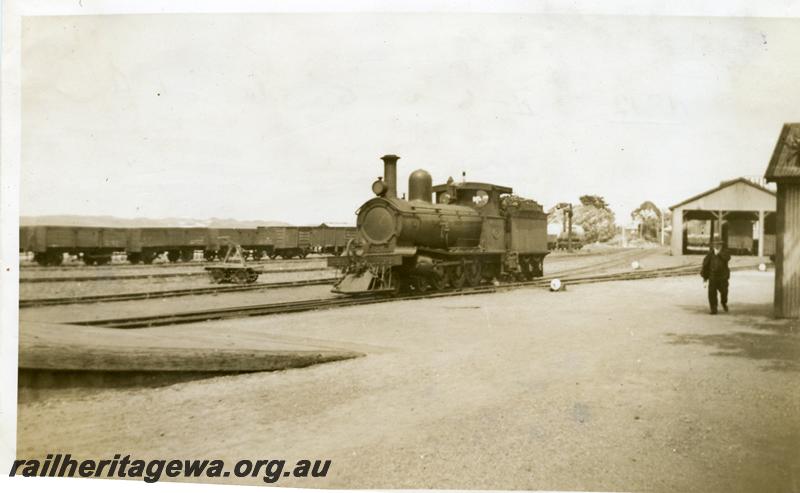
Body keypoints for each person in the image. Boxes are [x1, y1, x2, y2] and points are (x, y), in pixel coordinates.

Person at [701, 238, 731, 314]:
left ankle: (723, 302)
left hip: (723, 277)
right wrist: (705, 277)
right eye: (715, 244)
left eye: (719, 244)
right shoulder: (710, 254)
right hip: (713, 276)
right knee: (711, 293)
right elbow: (705, 265)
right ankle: (713, 309)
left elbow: (727, 258)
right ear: (713, 245)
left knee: (724, 292)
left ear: (721, 245)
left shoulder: (725, 252)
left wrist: (719, 253)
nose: (717, 246)